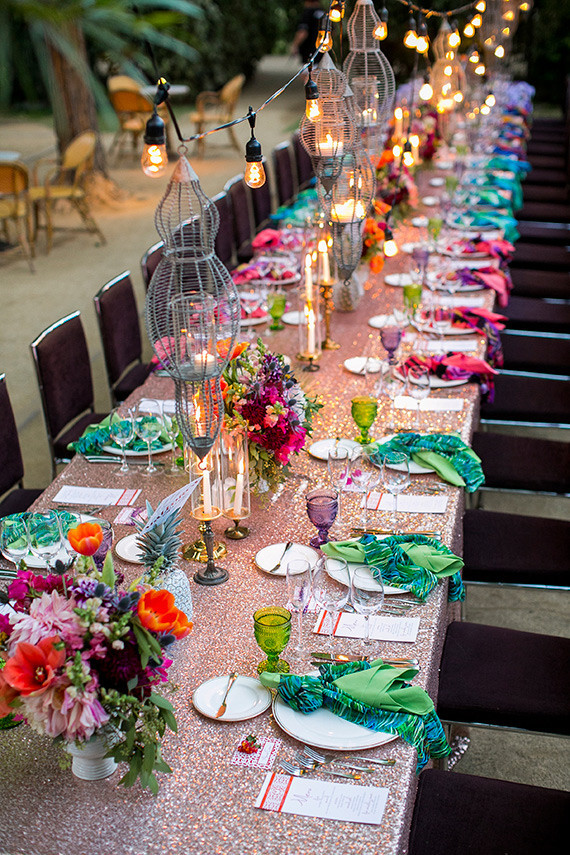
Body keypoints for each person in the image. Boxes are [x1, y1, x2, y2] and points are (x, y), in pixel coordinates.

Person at [290, 0, 326, 66]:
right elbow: (332, 32)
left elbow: (303, 32)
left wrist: (295, 45)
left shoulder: (308, 13)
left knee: (307, 75)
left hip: (309, 53)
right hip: (324, 55)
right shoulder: (325, 14)